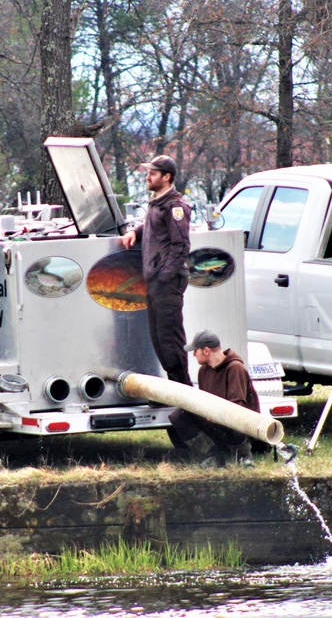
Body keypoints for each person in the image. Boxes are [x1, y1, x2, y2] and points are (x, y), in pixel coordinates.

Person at [120, 155, 192, 386]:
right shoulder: (158, 203)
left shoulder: (175, 207)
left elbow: (181, 246)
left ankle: (183, 392)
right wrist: (135, 232)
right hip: (155, 281)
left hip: (166, 282)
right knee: (159, 340)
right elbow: (153, 226)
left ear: (166, 177)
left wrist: (164, 276)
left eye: (153, 173)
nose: (147, 176)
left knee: (170, 341)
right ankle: (173, 389)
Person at [169, 329, 260, 468]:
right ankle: (213, 456)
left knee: (237, 415)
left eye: (195, 350)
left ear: (206, 351)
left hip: (239, 425)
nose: (193, 354)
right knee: (178, 416)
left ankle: (243, 456)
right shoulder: (203, 371)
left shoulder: (235, 368)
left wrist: (217, 414)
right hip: (216, 422)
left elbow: (238, 407)